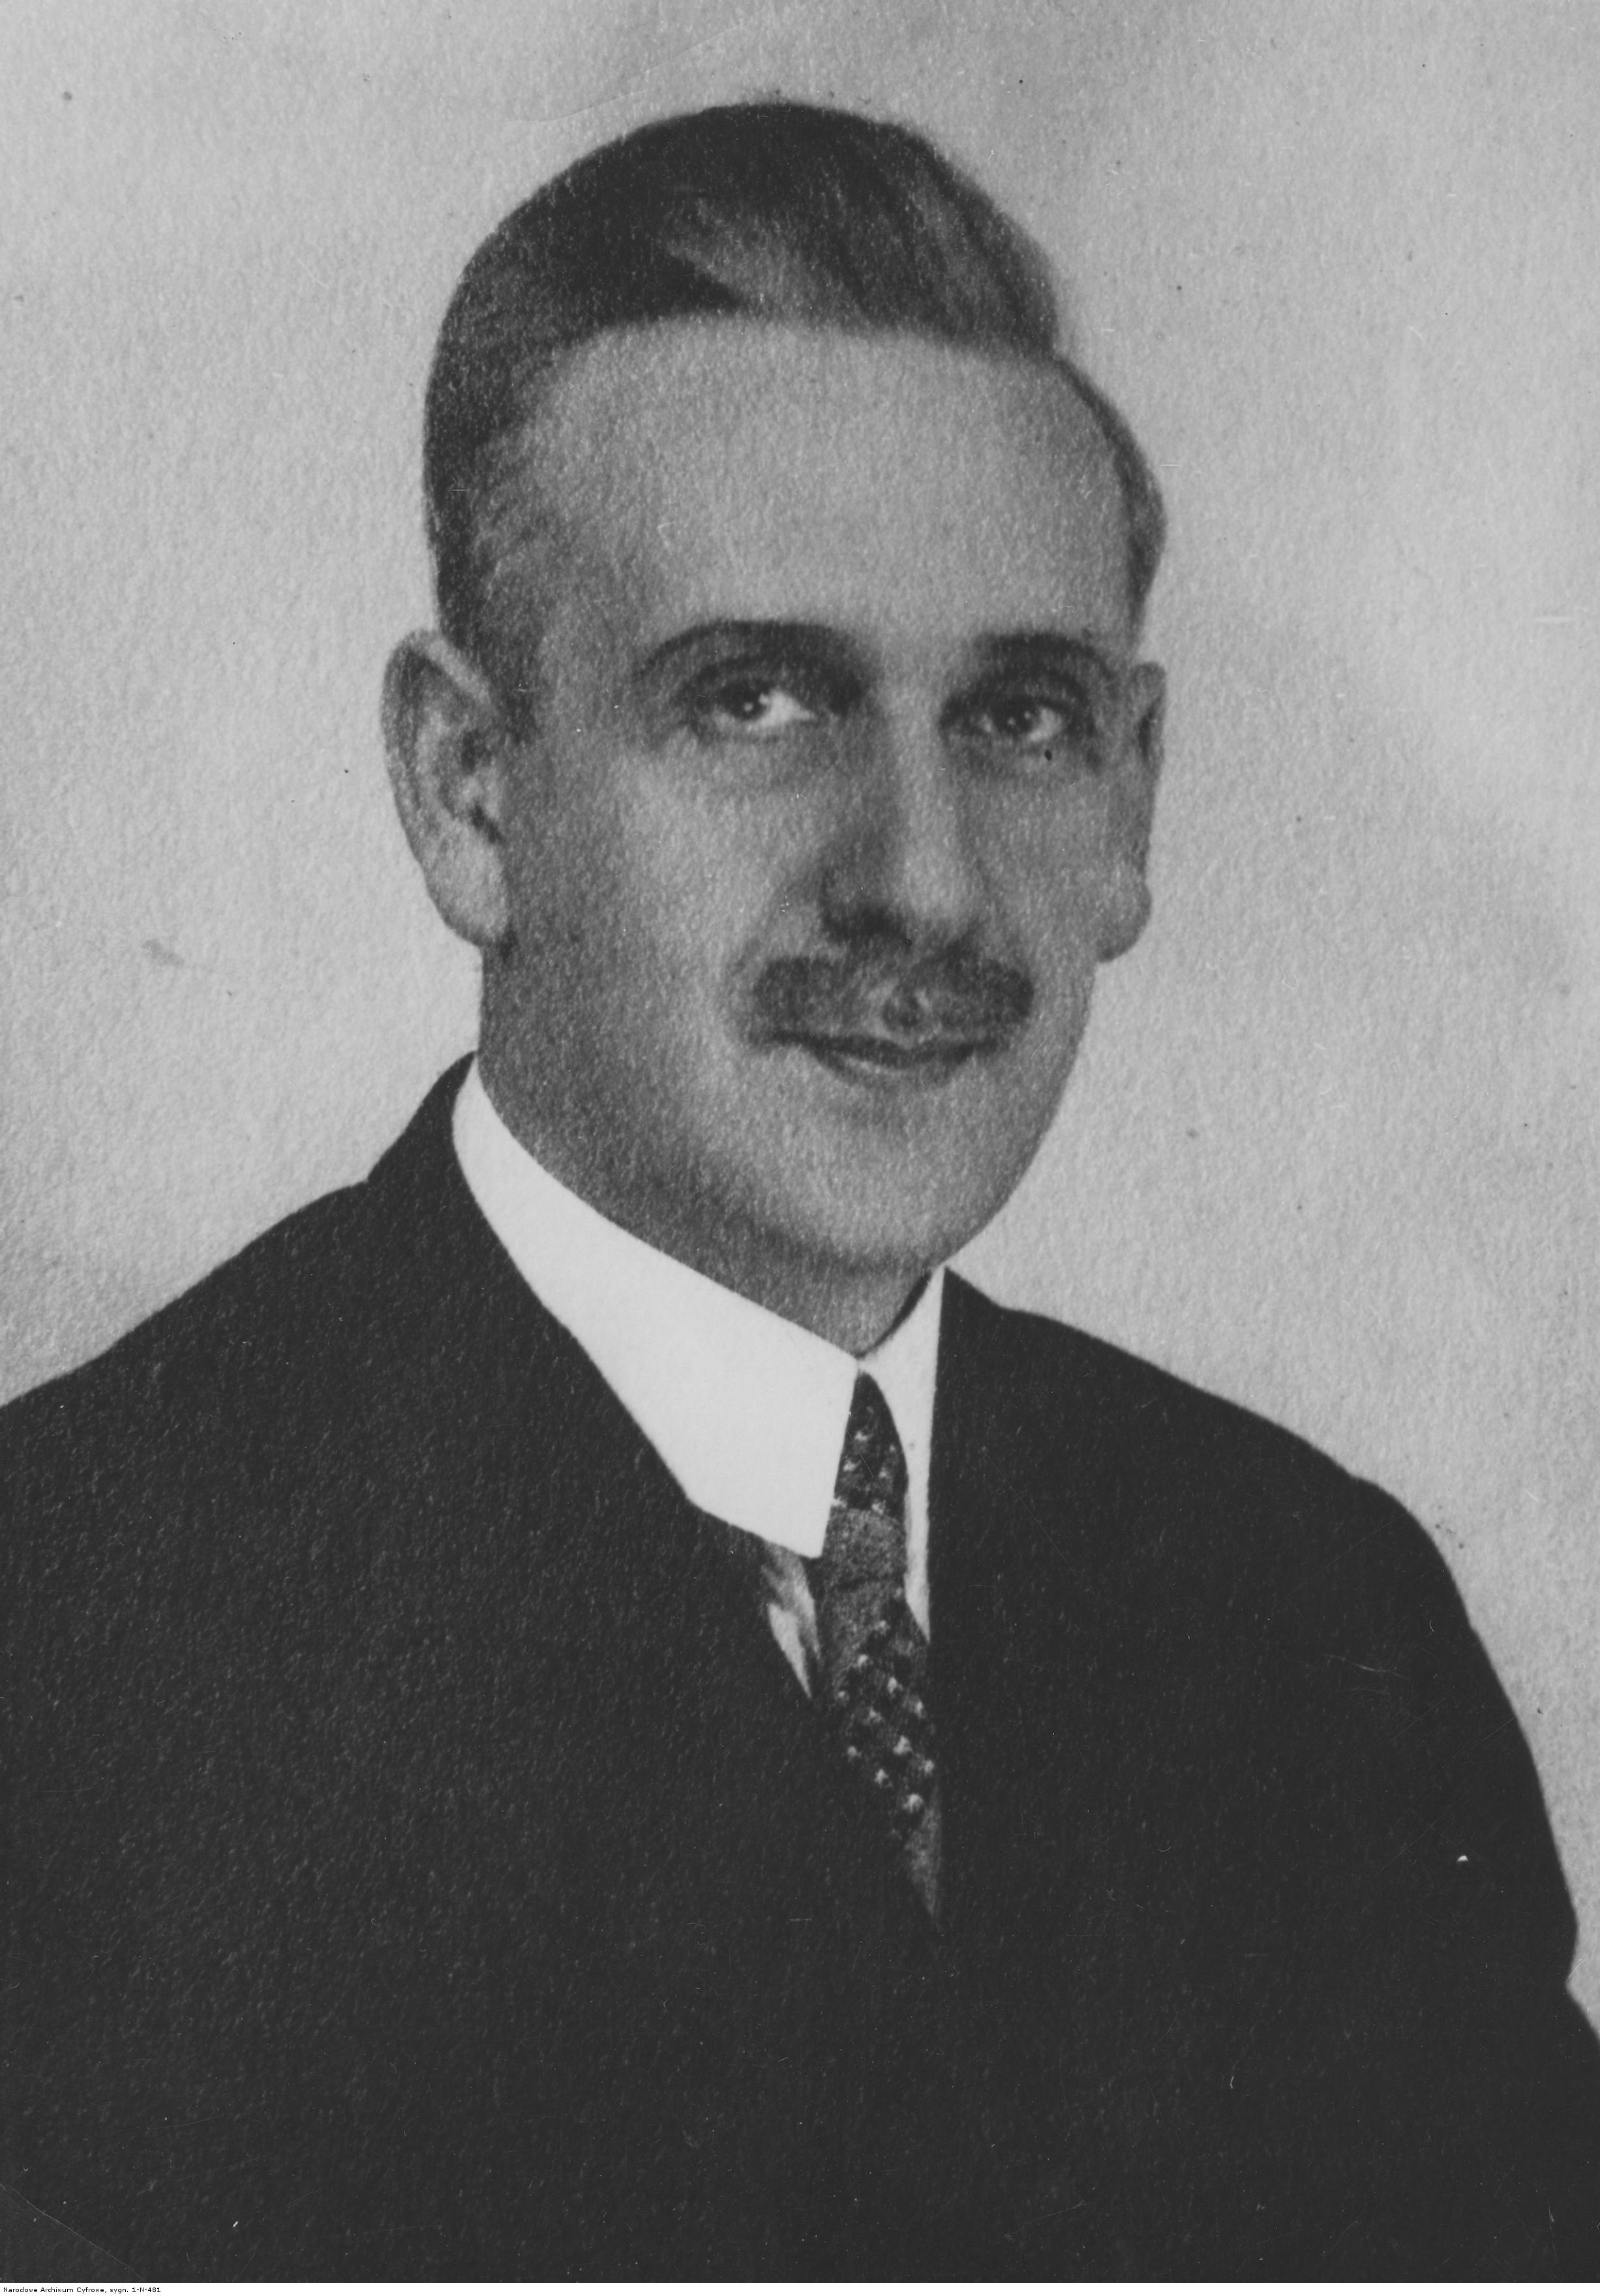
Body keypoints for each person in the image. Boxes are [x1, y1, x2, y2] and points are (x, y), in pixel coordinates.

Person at [2, 97, 1596, 2281]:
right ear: (471, 793)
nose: (922, 882)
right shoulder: (64, 1653)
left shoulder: (1319, 1620)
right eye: (756, 701)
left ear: (1136, 803)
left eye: (1021, 718)